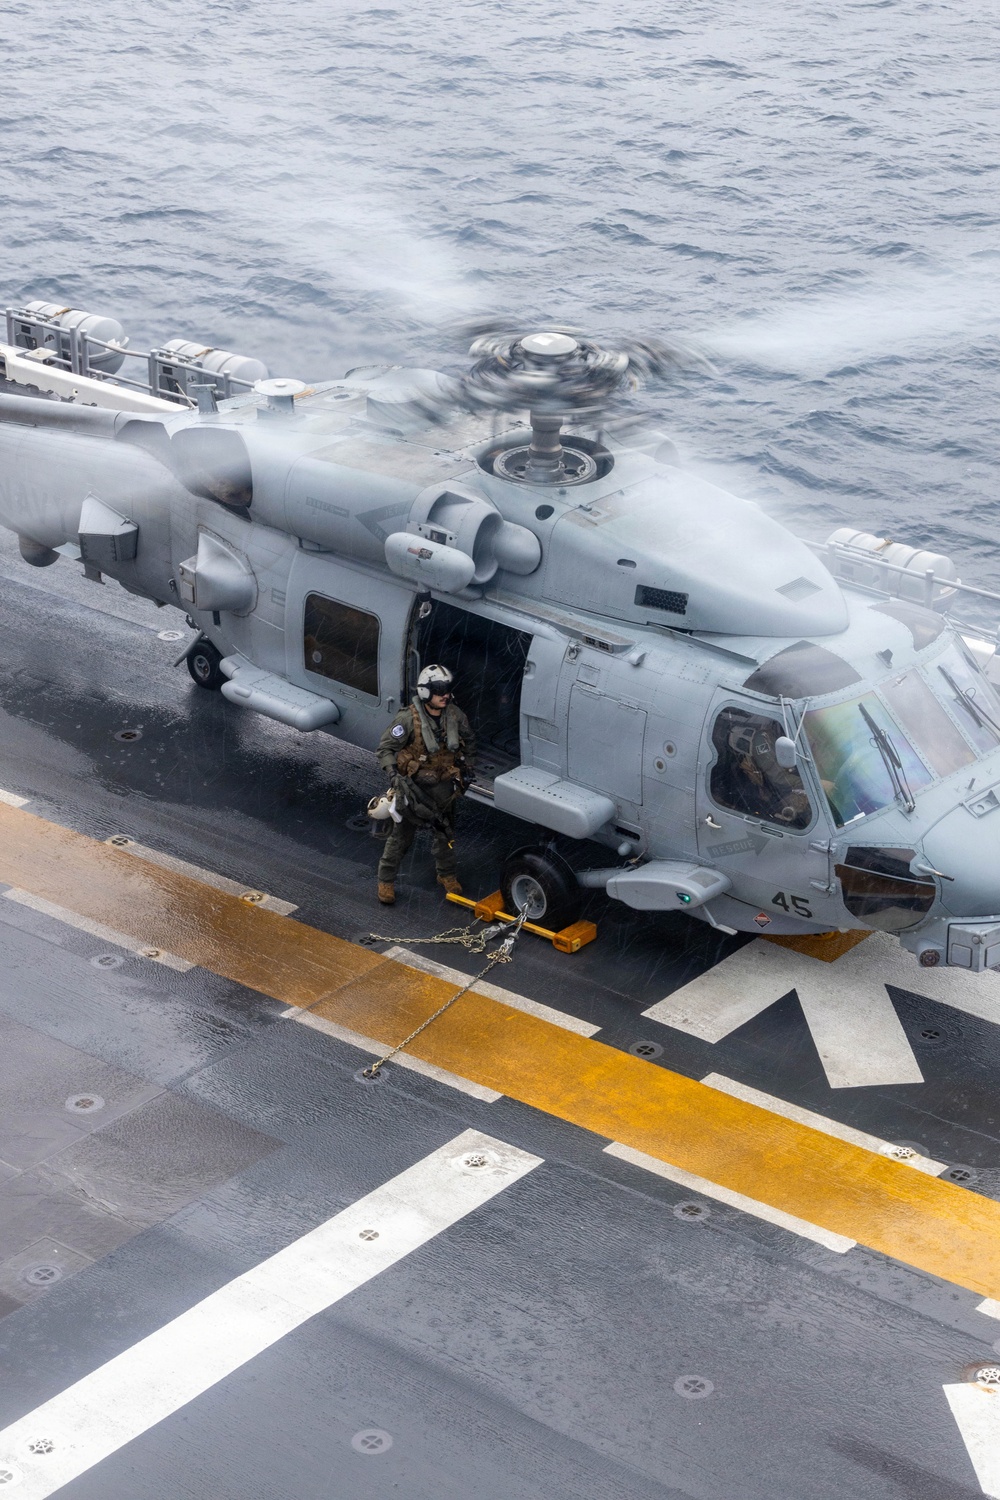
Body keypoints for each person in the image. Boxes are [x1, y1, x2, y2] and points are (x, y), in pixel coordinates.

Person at [375, 664, 476, 905]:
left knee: (445, 835)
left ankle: (447, 875)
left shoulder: (455, 716)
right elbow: (386, 749)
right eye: (439, 689)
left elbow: (470, 740)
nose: (445, 695)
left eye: (447, 689)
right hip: (414, 789)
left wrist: (467, 769)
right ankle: (386, 880)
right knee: (400, 837)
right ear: (425, 691)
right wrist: (393, 775)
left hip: (444, 789)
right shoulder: (408, 719)